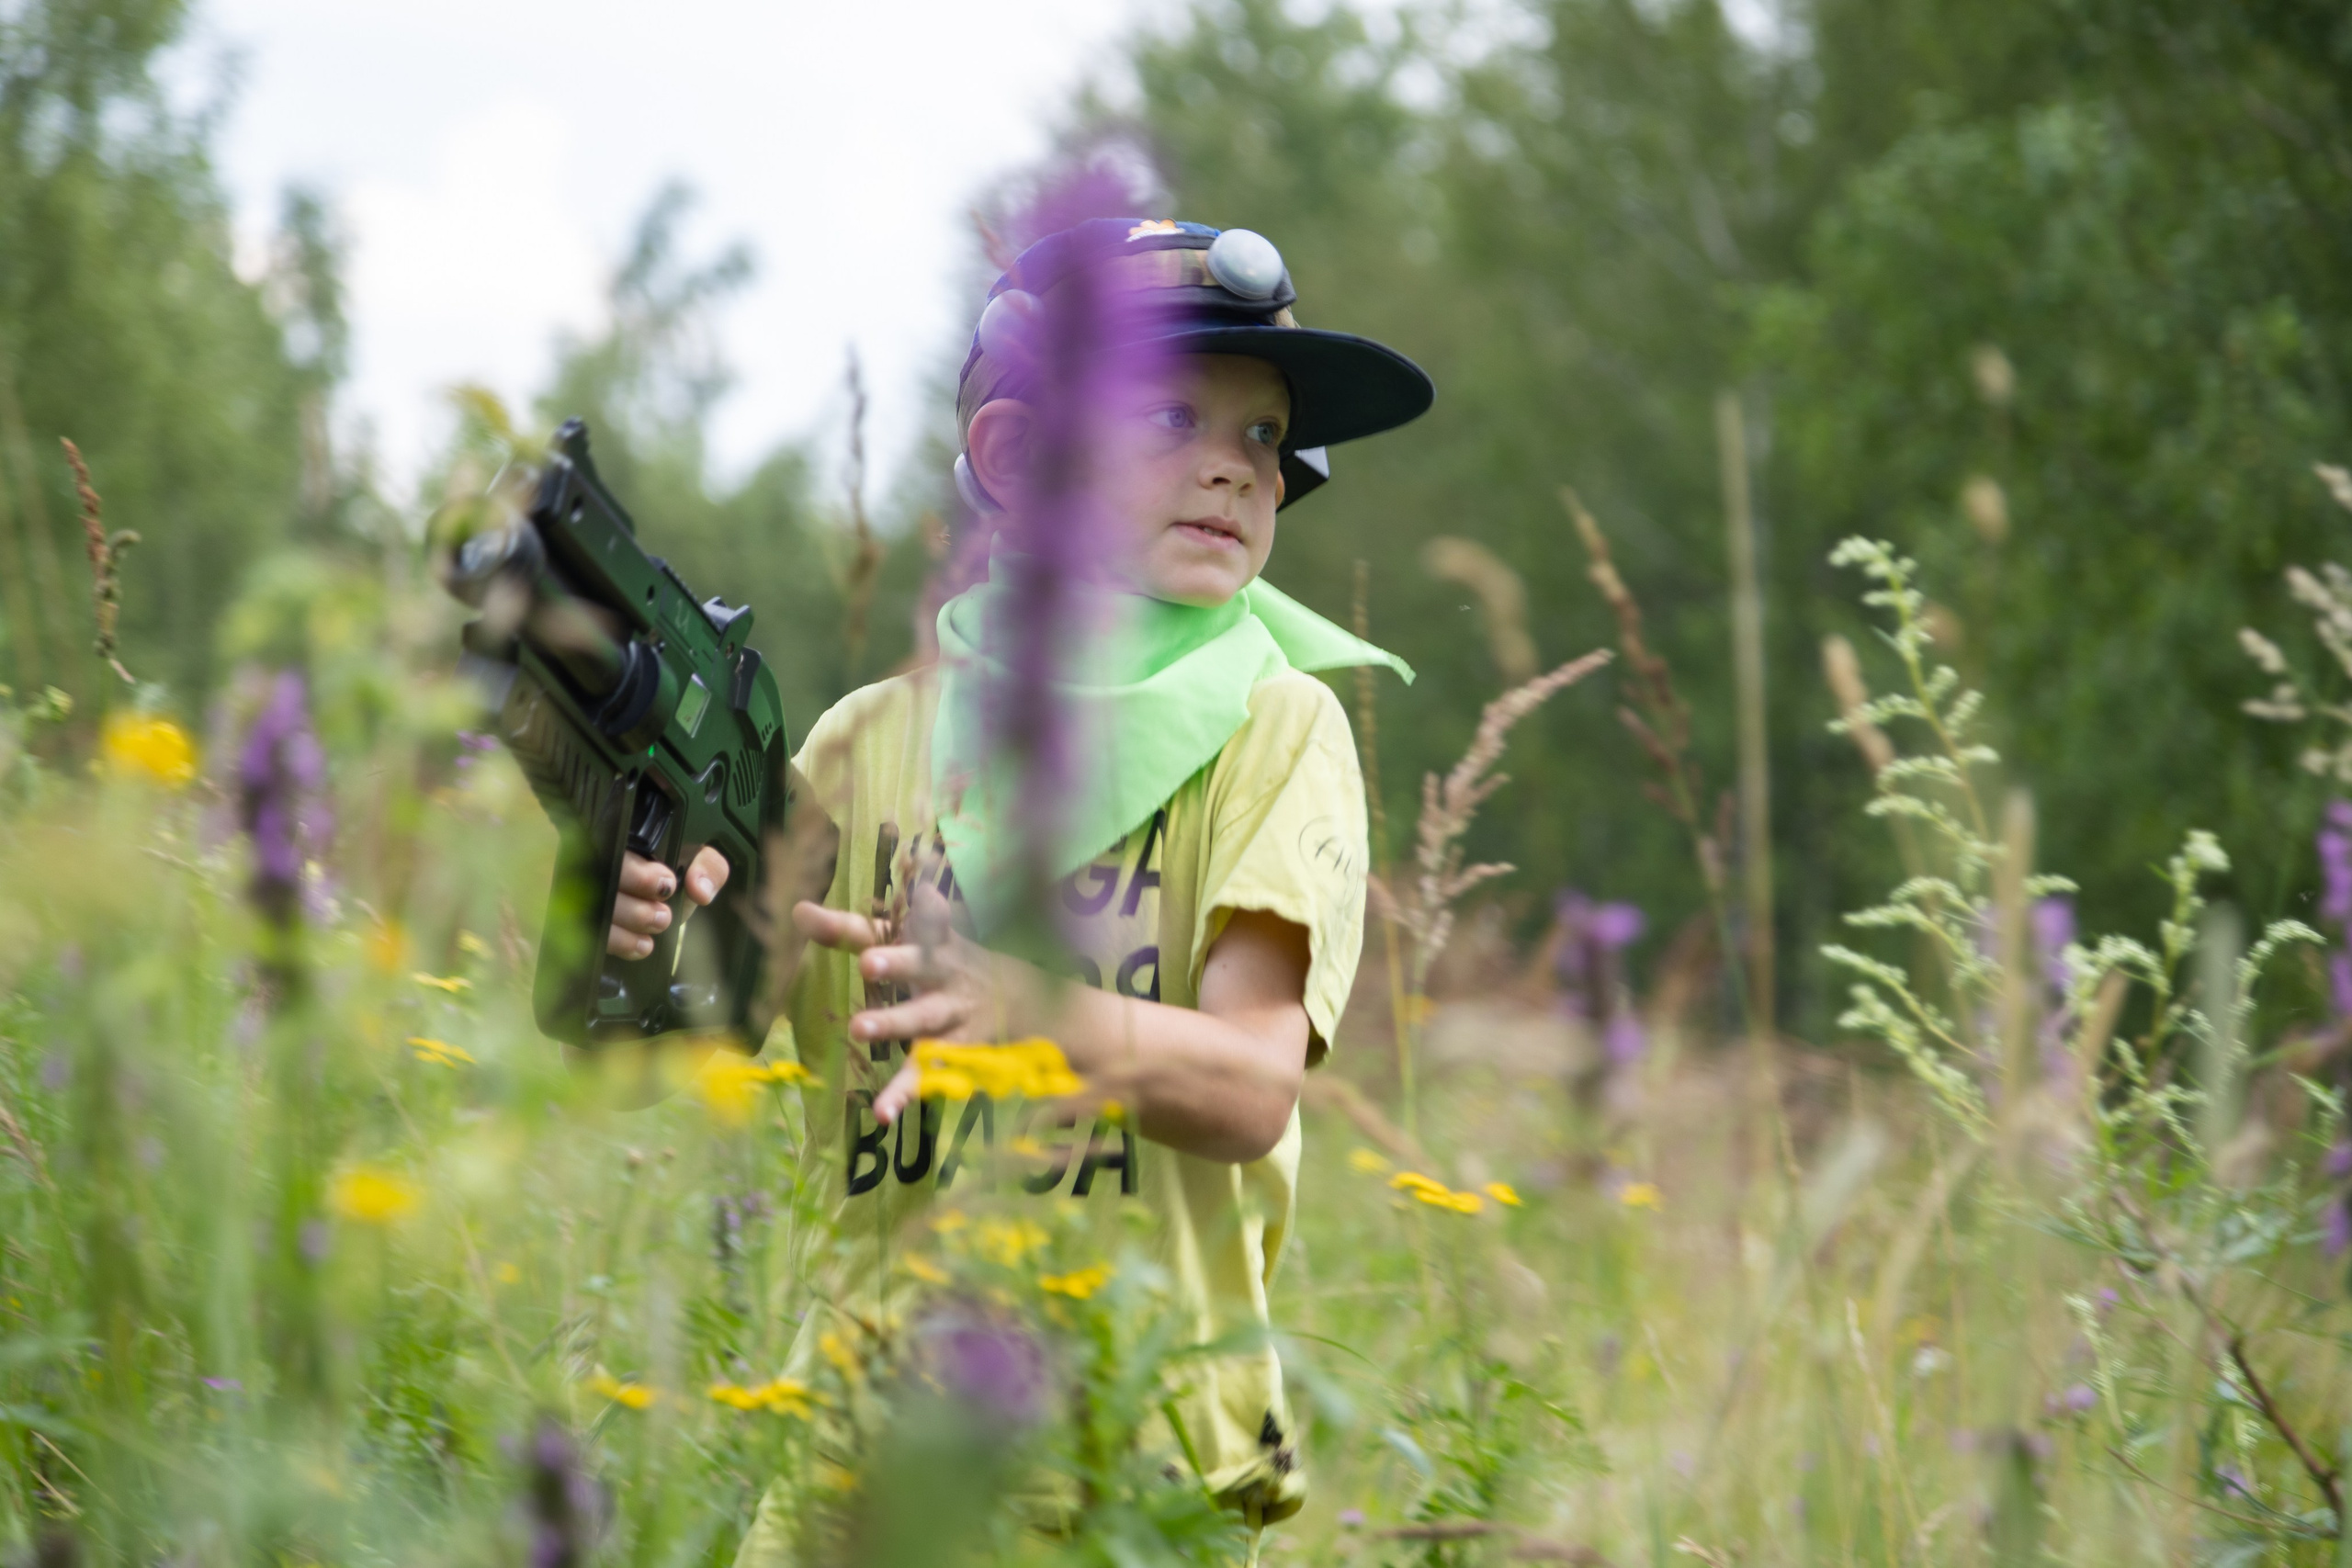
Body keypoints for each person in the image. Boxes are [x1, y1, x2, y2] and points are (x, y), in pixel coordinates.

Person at [612, 217, 1431, 1557]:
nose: (1236, 466)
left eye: (1265, 435)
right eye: (1172, 413)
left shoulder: (1277, 732)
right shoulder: (866, 745)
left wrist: (1019, 1016)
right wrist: (627, 926)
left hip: (1133, 1478)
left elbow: (1248, 1087)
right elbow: (666, 1049)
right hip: (856, 1470)